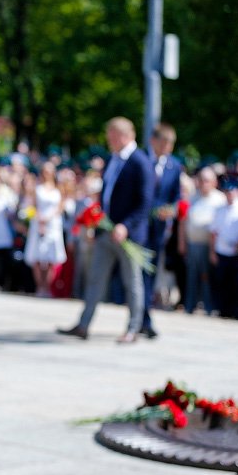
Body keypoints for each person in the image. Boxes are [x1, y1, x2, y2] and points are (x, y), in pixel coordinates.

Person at [58, 117, 153, 343]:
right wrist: (97, 223)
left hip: (128, 235)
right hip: (106, 231)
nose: (108, 140)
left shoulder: (140, 162)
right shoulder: (113, 160)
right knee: (95, 278)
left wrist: (126, 226)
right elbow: (106, 195)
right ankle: (83, 325)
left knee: (132, 283)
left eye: (111, 136)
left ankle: (133, 328)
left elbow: (145, 202)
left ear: (123, 136)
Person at [141, 122, 181, 337]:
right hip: (138, 227)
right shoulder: (141, 160)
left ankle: (144, 317)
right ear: (153, 141)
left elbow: (175, 197)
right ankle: (139, 316)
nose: (168, 147)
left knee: (150, 273)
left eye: (171, 144)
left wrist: (170, 210)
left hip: (157, 230)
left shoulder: (174, 166)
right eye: (165, 142)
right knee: (136, 275)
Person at [179, 167, 225, 314]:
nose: (203, 183)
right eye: (201, 180)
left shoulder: (220, 199)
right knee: (191, 276)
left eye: (207, 180)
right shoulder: (192, 197)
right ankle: (189, 305)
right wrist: (182, 243)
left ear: (214, 182)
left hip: (209, 245)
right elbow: (183, 222)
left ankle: (208, 306)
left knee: (207, 277)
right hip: (193, 243)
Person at [209, 178, 238, 319]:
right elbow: (214, 233)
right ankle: (224, 310)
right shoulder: (219, 210)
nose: (230, 194)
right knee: (223, 283)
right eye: (227, 191)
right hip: (222, 251)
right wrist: (212, 252)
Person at [24, 160, 66, 297]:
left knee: (50, 259)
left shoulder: (58, 189)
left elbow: (60, 207)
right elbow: (33, 206)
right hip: (39, 223)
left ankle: (47, 287)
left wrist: (49, 217)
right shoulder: (37, 188)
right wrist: (40, 219)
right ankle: (40, 286)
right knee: (37, 257)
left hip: (53, 224)